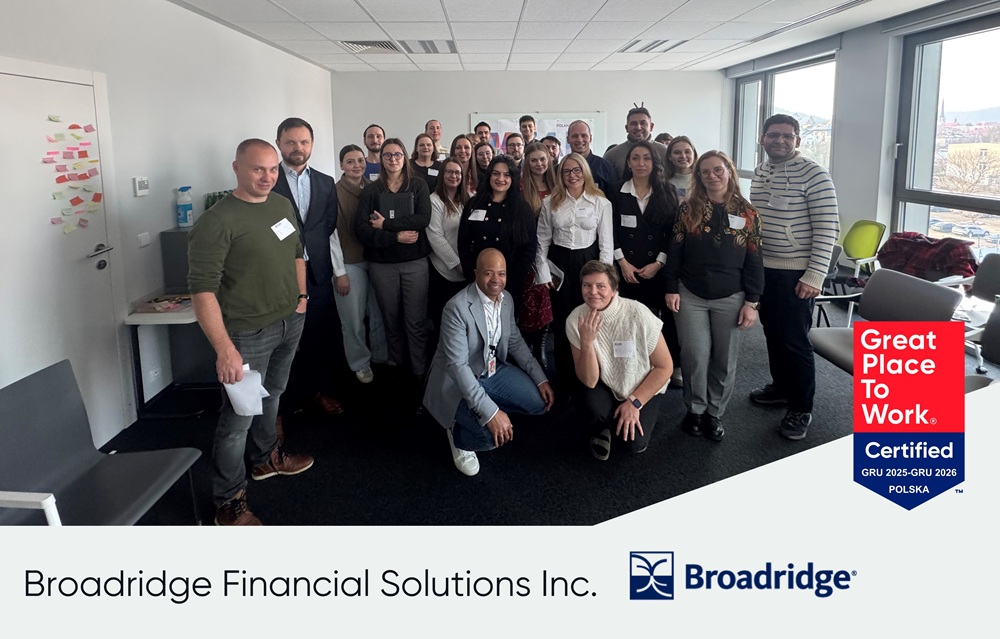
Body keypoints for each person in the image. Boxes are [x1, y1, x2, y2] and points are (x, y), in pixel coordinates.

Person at [188, 139, 314, 526]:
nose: (267, 177)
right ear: (237, 168)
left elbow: (296, 252)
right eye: (258, 169)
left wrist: (301, 297)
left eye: (272, 169)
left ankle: (265, 460)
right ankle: (228, 501)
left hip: (289, 320)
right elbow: (202, 291)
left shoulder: (281, 205)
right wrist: (224, 348)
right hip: (245, 334)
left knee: (273, 395)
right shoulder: (216, 221)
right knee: (237, 420)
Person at [748, 114, 840, 441]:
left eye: (788, 136)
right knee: (773, 332)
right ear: (762, 138)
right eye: (774, 135)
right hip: (765, 269)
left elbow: (828, 227)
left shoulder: (814, 174)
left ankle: (801, 407)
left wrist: (814, 275)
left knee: (794, 340)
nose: (780, 141)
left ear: (798, 141)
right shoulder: (761, 171)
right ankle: (781, 388)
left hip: (796, 272)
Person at [423, 249, 555, 476]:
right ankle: (456, 431)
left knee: (538, 404)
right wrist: (491, 413)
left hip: (491, 371)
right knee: (489, 439)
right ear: (476, 273)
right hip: (456, 382)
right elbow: (458, 367)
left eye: (501, 274)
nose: (496, 280)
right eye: (488, 273)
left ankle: (480, 407)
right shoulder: (456, 308)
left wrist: (540, 378)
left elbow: (515, 342)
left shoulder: (507, 300)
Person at [664, 151, 763, 442]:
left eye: (718, 170)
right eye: (705, 171)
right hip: (690, 293)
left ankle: (714, 412)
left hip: (732, 295)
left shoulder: (748, 213)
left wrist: (752, 302)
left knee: (724, 358)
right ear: (698, 176)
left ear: (729, 171)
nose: (712, 176)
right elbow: (675, 251)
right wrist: (671, 288)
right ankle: (695, 409)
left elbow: (755, 260)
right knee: (694, 356)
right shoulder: (688, 209)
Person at [271, 117, 344, 420]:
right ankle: (280, 407)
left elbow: (327, 224)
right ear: (279, 144)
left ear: (312, 144)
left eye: (304, 142)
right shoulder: (268, 180)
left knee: (318, 337)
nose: (297, 148)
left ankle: (316, 391)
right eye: (290, 142)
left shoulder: (325, 182)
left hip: (317, 274)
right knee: (281, 343)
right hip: (279, 275)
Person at [567, 260, 673, 460]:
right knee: (591, 407)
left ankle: (629, 413)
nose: (593, 292)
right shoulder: (575, 319)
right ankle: (604, 426)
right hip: (605, 383)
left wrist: (634, 402)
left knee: (634, 444)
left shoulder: (638, 313)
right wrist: (587, 342)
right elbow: (589, 380)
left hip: (641, 382)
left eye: (600, 286)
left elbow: (665, 367)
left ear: (614, 289)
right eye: (587, 285)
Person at [355, 138, 433, 399]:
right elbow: (362, 230)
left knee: (416, 322)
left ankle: (419, 374)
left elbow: (423, 219)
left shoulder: (418, 185)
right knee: (391, 321)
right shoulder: (371, 190)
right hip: (382, 266)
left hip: (414, 264)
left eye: (397, 154)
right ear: (381, 158)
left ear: (404, 157)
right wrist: (396, 237)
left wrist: (386, 225)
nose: (393, 159)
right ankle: (398, 370)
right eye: (387, 155)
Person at [535, 152, 614, 388]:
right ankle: (566, 378)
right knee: (563, 321)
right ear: (560, 175)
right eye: (566, 171)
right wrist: (543, 273)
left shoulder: (601, 202)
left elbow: (606, 244)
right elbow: (542, 241)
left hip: (589, 263)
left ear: (585, 172)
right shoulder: (550, 202)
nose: (572, 175)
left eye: (577, 170)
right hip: (559, 265)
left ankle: (592, 376)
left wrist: (605, 280)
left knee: (591, 318)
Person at [608, 140, 682, 386]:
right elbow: (610, 229)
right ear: (628, 163)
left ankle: (670, 365)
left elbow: (672, 232)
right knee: (627, 318)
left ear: (654, 162)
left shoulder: (666, 190)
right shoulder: (615, 190)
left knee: (665, 318)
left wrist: (659, 263)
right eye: (636, 158)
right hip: (625, 266)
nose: (641, 163)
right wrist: (622, 262)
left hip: (657, 266)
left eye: (646, 158)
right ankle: (630, 364)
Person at [331, 144, 388, 385]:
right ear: (341, 165)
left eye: (360, 161)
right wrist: (339, 272)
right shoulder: (334, 193)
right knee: (353, 320)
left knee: (378, 313)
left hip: (375, 260)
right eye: (350, 161)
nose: (357, 165)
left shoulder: (374, 188)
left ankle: (381, 355)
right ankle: (360, 363)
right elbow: (331, 235)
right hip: (349, 264)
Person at [457, 155, 537, 318]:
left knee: (506, 323)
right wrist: (471, 273)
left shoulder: (522, 208)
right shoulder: (474, 204)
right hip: (478, 278)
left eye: (506, 175)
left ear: (513, 179)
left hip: (511, 280)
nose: (500, 179)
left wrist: (515, 277)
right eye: (496, 173)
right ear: (489, 176)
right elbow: (463, 241)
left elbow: (530, 247)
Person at [519, 142, 556, 363]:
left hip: (556, 251)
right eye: (533, 160)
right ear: (527, 162)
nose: (539, 164)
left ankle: (542, 345)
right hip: (530, 250)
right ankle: (530, 348)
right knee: (533, 300)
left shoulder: (557, 184)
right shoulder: (521, 187)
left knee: (552, 300)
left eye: (542, 159)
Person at [427, 157, 471, 336]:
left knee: (463, 321)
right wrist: (457, 264)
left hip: (466, 270)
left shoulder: (466, 199)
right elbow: (435, 236)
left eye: (457, 172)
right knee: (444, 321)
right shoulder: (434, 200)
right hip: (444, 270)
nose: (454, 176)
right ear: (442, 174)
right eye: (450, 172)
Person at [604, 106, 670, 177]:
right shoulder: (612, 156)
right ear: (626, 128)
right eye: (633, 123)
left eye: (643, 123)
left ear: (651, 127)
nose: (638, 127)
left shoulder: (665, 152)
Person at [566, 120, 617, 193]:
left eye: (584, 135)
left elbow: (614, 196)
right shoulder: (560, 170)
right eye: (575, 136)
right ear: (568, 139)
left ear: (590, 138)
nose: (579, 140)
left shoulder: (606, 167)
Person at [665, 136, 697, 202]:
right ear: (669, 157)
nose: (683, 156)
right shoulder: (664, 184)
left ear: (694, 154)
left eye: (687, 152)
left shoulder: (703, 181)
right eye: (677, 152)